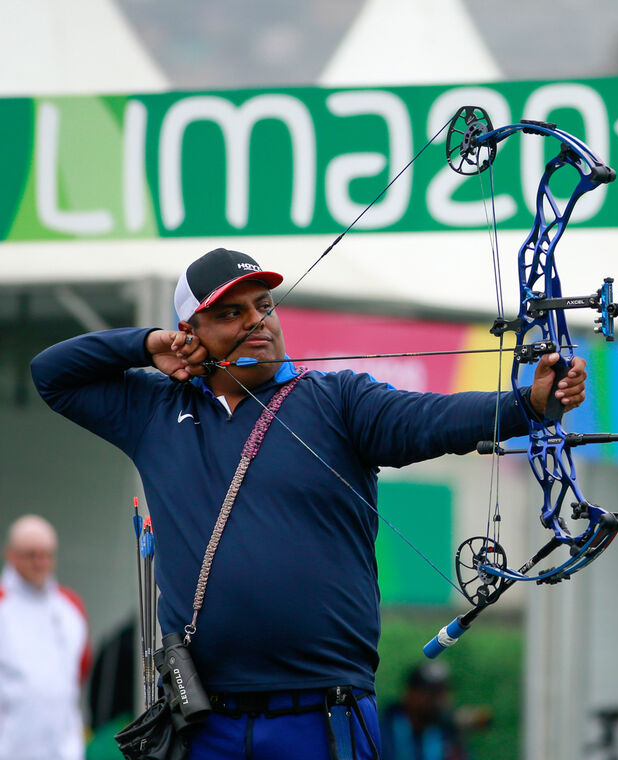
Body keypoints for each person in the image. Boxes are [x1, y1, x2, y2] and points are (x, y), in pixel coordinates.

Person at [30, 248, 587, 760]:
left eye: (264, 305)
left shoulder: (337, 400)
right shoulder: (154, 411)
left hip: (322, 714)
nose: (256, 321)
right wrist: (147, 344)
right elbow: (52, 375)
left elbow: (430, 420)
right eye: (230, 313)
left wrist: (528, 404)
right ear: (190, 334)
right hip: (202, 720)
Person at [0, 514, 91, 760]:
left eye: (47, 555)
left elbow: (80, 670)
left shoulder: (70, 606)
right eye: (31, 555)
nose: (40, 563)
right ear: (11, 554)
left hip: (65, 749)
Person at [379, 662, 473, 760]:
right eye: (433, 693)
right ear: (410, 693)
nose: (440, 701)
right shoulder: (383, 732)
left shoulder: (446, 736)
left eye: (444, 692)